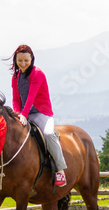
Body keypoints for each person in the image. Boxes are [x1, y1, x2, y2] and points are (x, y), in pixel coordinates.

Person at [9, 44, 67, 187]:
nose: (23, 64)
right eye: (20, 60)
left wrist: (23, 114)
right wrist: (17, 114)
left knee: (48, 134)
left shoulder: (37, 74)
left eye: (26, 61)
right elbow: (16, 99)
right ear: (15, 60)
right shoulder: (15, 77)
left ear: (32, 59)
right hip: (23, 114)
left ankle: (60, 170)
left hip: (41, 113)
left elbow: (31, 97)